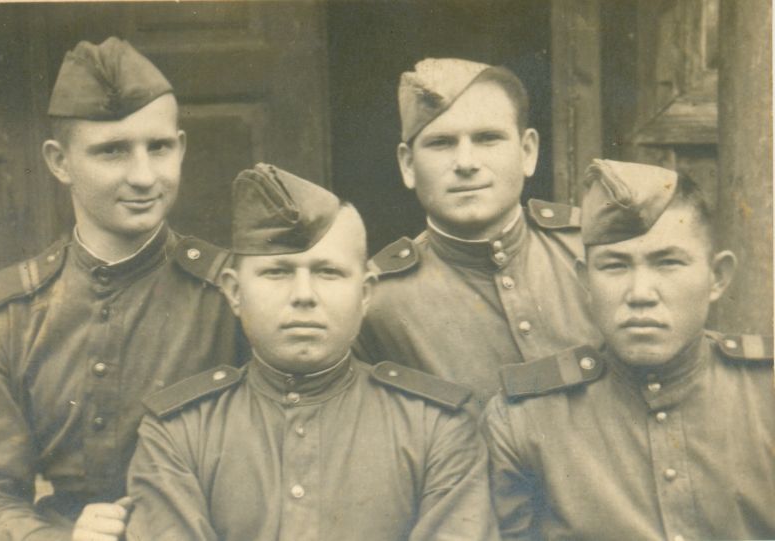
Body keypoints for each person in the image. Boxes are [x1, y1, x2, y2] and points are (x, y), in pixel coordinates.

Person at [124, 163, 498, 541]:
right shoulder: (179, 431)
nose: (303, 295)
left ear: (365, 293)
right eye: (277, 272)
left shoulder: (437, 425)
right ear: (235, 291)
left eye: (328, 272)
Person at [0, 37, 247, 540]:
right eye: (112, 151)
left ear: (181, 148)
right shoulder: (12, 316)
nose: (143, 176)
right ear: (59, 162)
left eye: (159, 147)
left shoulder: (233, 296)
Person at [482, 159, 774, 540]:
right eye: (615, 266)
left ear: (716, 277)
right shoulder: (525, 420)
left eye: (667, 263)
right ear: (585, 282)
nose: (640, 294)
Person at [354, 58, 601, 409]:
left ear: (527, 152)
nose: (466, 163)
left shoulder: (595, 250)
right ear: (408, 165)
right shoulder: (375, 300)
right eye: (441, 143)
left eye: (487, 138)